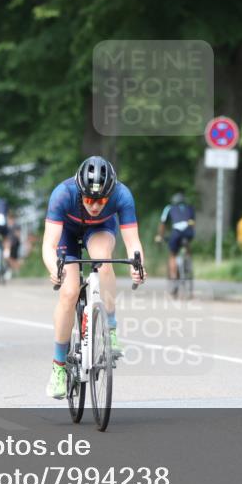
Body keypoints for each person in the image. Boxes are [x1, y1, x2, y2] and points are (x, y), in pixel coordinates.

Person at [42, 156, 145, 399]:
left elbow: (133, 242)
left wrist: (137, 265)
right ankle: (58, 368)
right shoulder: (63, 194)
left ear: (111, 193)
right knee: (69, 292)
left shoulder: (122, 195)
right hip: (66, 233)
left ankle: (109, 328)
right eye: (89, 199)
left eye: (101, 200)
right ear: (80, 191)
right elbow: (49, 244)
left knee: (105, 261)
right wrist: (54, 269)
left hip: (100, 229)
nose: (95, 205)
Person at [154, 192, 195, 282]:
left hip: (176, 232)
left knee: (172, 254)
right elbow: (192, 223)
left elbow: (162, 223)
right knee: (187, 244)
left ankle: (173, 277)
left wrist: (160, 236)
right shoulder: (190, 207)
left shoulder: (169, 208)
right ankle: (188, 263)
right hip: (188, 232)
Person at [6, 212, 22, 276]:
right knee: (8, 257)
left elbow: (18, 235)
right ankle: (12, 269)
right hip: (8, 244)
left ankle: (15, 270)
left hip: (15, 244)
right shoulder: (7, 226)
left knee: (14, 258)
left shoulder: (16, 226)